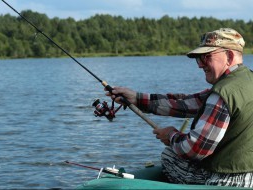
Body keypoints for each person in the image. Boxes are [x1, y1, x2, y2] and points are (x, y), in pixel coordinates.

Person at [106, 28, 253, 187]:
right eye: (199, 59)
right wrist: (136, 98)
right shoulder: (245, 81)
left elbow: (196, 149)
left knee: (170, 155)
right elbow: (185, 104)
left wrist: (170, 135)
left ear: (229, 56)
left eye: (206, 57)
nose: (200, 65)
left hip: (225, 182)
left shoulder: (222, 94)